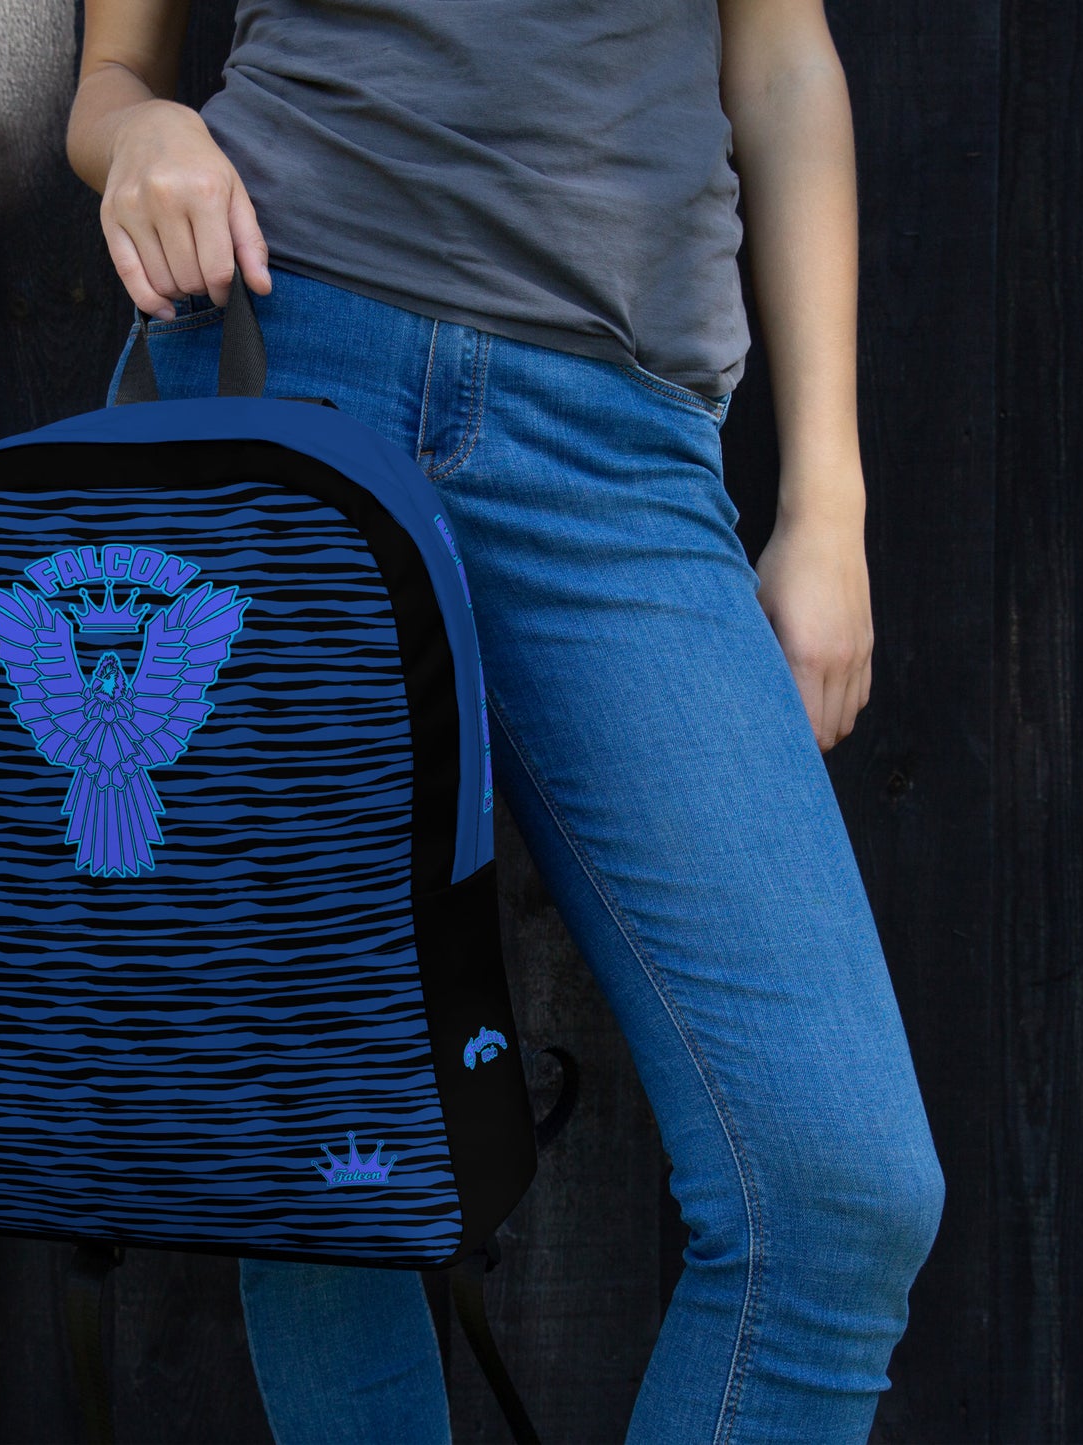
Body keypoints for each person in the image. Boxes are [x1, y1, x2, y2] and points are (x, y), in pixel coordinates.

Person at [66, 0, 947, 1440]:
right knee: (327, 1157)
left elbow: (785, 59)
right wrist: (142, 135)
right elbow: (112, 77)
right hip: (290, 360)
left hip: (622, 458)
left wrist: (828, 508)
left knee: (837, 1191)